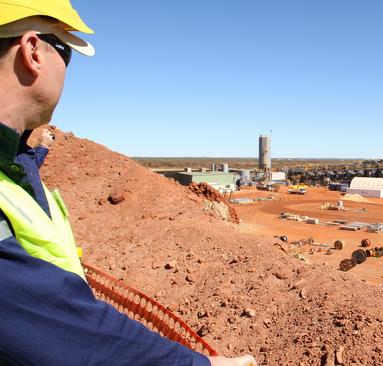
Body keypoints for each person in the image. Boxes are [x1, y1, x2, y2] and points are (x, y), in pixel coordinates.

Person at [0, 2, 256, 365]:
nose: (68, 70)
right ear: (32, 52)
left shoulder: (13, 166)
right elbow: (58, 329)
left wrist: (31, 151)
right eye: (66, 53)